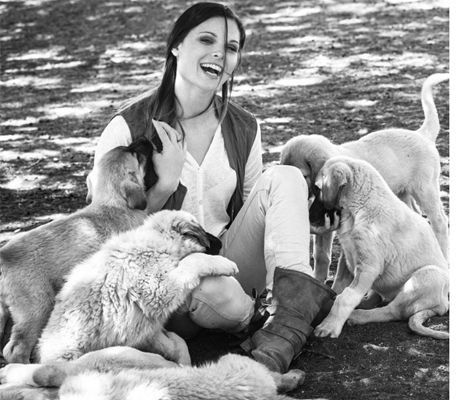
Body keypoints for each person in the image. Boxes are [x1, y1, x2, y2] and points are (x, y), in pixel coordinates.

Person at [87, 2, 335, 373]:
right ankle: (254, 317)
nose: (219, 53)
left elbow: (255, 209)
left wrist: (297, 217)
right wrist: (164, 185)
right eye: (206, 40)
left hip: (227, 261)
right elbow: (102, 231)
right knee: (209, 287)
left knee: (285, 176)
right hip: (162, 282)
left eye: (231, 48)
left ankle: (286, 320)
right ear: (176, 46)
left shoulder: (244, 126)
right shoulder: (126, 128)